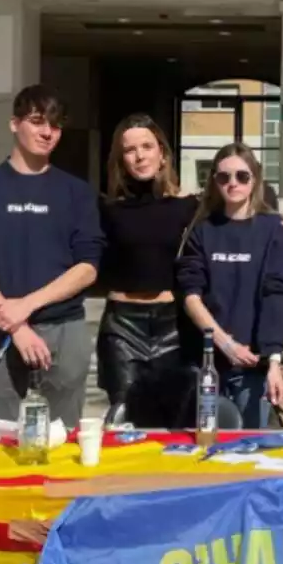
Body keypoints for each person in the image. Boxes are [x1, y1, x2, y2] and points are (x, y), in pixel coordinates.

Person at [0, 85, 103, 428]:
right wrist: (14, 323)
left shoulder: (76, 193)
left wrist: (25, 306)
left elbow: (87, 268)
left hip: (64, 330)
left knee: (62, 444)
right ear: (14, 124)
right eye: (37, 121)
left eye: (56, 125)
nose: (47, 132)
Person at [175, 143, 283, 429]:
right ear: (214, 182)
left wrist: (273, 361)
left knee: (251, 449)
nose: (233, 183)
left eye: (242, 176)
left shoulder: (275, 230)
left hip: (254, 366)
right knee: (204, 448)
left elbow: (278, 297)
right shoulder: (201, 230)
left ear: (254, 179)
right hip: (206, 364)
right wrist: (226, 344)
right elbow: (191, 297)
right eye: (224, 177)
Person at [95, 114, 199, 425]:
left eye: (147, 146)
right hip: (122, 326)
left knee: (173, 419)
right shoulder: (106, 207)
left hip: (173, 326)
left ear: (162, 153)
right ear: (121, 159)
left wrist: (276, 221)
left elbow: (240, 212)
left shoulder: (190, 207)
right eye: (130, 150)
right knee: (124, 416)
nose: (140, 156)